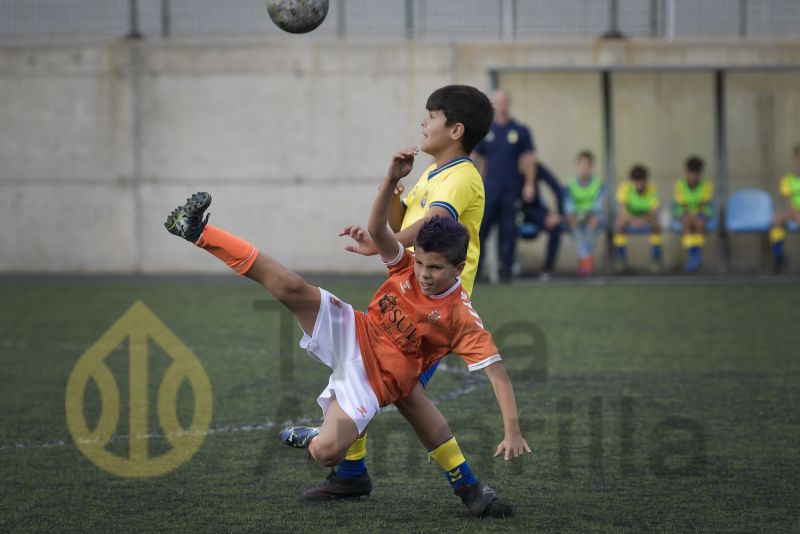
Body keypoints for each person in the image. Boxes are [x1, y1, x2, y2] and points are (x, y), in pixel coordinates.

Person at [163, 182, 529, 517]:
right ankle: (199, 232)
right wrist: (391, 178)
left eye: (435, 268)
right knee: (291, 287)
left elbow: (498, 376)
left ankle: (316, 437)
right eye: (420, 263)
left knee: (326, 453)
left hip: (373, 382)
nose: (423, 274)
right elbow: (378, 230)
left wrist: (512, 431)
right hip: (354, 330)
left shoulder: (461, 317)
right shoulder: (406, 266)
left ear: (458, 268)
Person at [311, 85, 494, 501]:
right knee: (369, 373)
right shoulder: (433, 173)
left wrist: (383, 243)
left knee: (397, 388)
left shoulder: (463, 177)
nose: (423, 122)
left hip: (434, 307)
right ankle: (355, 474)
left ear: (456, 130)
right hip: (407, 294)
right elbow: (404, 224)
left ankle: (466, 485)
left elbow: (432, 226)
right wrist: (395, 193)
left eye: (432, 116)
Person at [472, 89, 536, 283]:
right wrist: (471, 182)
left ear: (509, 103)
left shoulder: (520, 130)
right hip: (489, 190)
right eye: (498, 101)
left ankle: (506, 270)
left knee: (508, 231)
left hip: (511, 190)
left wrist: (529, 184)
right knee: (481, 230)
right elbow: (475, 158)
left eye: (504, 101)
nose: (502, 105)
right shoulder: (486, 131)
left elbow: (529, 159)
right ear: (493, 105)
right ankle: (477, 271)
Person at [519, 161, 565, 280]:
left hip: (535, 211)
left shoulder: (535, 166)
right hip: (514, 211)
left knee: (555, 226)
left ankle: (548, 268)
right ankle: (505, 267)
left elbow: (557, 188)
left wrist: (559, 214)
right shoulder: (510, 167)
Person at [614, 164, 663, 273]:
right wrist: (633, 220)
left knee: (656, 224)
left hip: (646, 217)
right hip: (629, 217)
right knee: (619, 223)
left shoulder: (652, 188)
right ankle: (620, 259)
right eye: (637, 182)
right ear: (632, 181)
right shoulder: (624, 188)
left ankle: (656, 258)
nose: (639, 185)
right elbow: (622, 211)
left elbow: (654, 211)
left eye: (642, 181)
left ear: (646, 180)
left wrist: (643, 219)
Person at [565, 150, 605, 275]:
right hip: (576, 215)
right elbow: (568, 205)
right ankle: (587, 258)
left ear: (591, 166)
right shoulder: (570, 183)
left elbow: (599, 205)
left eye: (587, 164)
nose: (584, 168)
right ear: (577, 165)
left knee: (593, 224)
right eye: (582, 164)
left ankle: (584, 259)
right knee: (572, 222)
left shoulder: (598, 184)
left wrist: (592, 215)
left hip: (592, 215)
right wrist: (573, 215)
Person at [674, 156, 713, 274]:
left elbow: (703, 202)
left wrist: (695, 214)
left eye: (696, 174)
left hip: (701, 212)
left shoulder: (707, 184)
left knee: (699, 223)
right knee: (687, 223)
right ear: (686, 172)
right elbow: (682, 203)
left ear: (700, 173)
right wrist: (690, 215)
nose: (693, 177)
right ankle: (693, 255)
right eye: (691, 173)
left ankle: (696, 255)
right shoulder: (679, 184)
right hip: (684, 212)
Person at [770, 144, 800, 273]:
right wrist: (796, 216)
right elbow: (787, 201)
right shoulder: (787, 179)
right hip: (793, 212)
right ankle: (778, 258)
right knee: (776, 219)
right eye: (798, 159)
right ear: (794, 159)